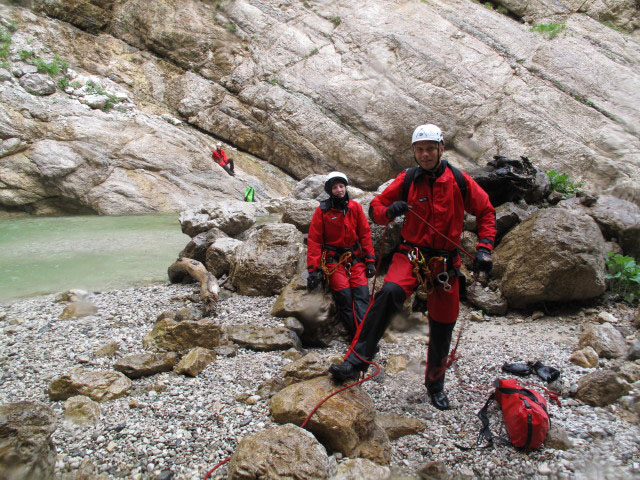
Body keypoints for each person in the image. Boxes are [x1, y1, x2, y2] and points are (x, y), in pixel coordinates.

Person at [329, 124, 496, 410]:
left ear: (441, 149)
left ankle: (435, 385)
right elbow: (377, 208)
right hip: (412, 253)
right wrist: (389, 211)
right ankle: (355, 362)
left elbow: (486, 211)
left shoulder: (459, 180)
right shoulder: (407, 180)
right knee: (389, 292)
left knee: (444, 324)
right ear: (415, 152)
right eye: (420, 149)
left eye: (431, 148)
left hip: (445, 262)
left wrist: (484, 249)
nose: (426, 154)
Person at [307, 172, 376, 341]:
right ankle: (357, 337)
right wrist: (313, 270)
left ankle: (365, 337)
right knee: (345, 298)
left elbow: (365, 234)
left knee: (362, 296)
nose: (339, 190)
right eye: (335, 187)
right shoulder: (322, 211)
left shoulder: (355, 208)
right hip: (333, 261)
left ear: (346, 187)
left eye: (341, 186)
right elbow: (314, 240)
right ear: (330, 191)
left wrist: (370, 260)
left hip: (354, 259)